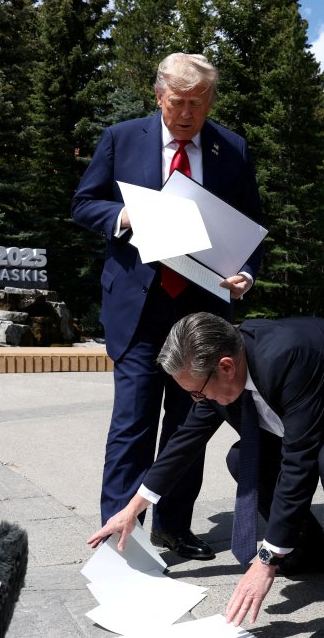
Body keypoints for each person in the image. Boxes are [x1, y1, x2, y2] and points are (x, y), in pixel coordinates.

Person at [87, 312, 324, 637]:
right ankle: (308, 552)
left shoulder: (288, 357)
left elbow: (300, 460)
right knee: (242, 458)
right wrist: (134, 506)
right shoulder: (218, 372)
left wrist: (265, 561)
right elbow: (185, 440)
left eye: (198, 393)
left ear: (226, 366)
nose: (199, 401)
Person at [72, 53, 264, 561]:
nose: (187, 115)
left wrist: (247, 273)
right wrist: (125, 215)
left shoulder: (233, 149)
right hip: (139, 308)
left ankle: (173, 528)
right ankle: (121, 540)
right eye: (178, 103)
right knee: (132, 425)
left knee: (187, 425)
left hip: (200, 315)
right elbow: (84, 203)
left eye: (198, 104)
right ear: (159, 96)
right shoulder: (121, 138)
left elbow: (251, 227)